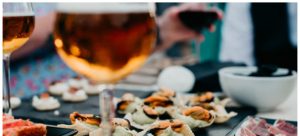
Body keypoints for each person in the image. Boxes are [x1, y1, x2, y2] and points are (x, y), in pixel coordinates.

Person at [9, 3, 221, 98]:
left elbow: (109, 52)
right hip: (24, 105)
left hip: (85, 100)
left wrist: (163, 31)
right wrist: (81, 13)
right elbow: (20, 34)